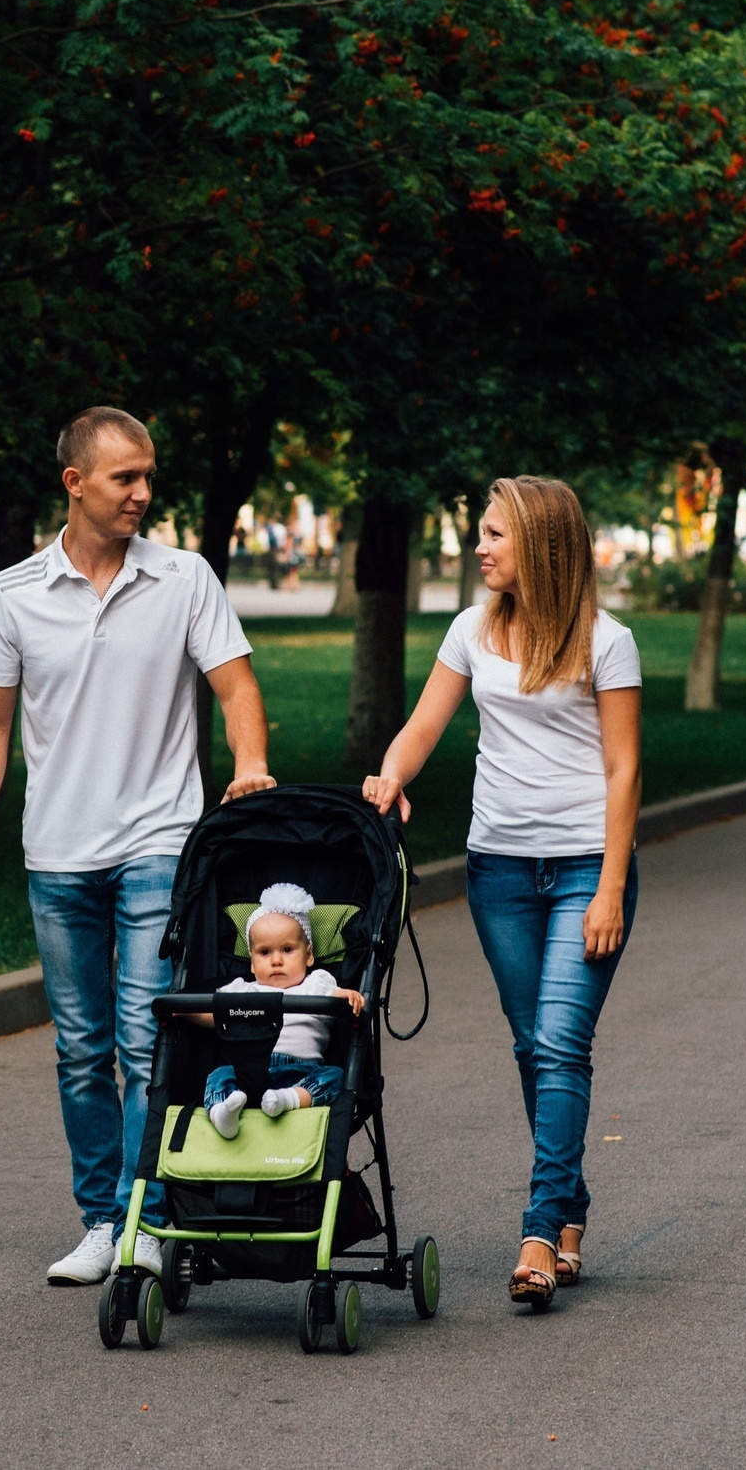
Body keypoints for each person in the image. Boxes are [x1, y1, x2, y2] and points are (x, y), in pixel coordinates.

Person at [0, 405, 278, 1287]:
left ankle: (145, 1216)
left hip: (160, 841)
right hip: (57, 851)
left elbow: (236, 684)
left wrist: (250, 761)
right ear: (76, 483)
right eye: (126, 477)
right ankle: (102, 1217)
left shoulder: (184, 578)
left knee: (144, 1037)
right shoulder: (13, 592)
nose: (143, 492)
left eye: (148, 475)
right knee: (81, 1046)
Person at [362, 475, 643, 1309]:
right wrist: (391, 775)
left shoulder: (607, 641)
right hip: (500, 871)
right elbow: (423, 724)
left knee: (559, 1044)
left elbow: (625, 769)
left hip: (588, 867)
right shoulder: (471, 629)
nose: (477, 547)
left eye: (493, 534)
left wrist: (613, 888)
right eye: (478, 533)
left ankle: (537, 1228)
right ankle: (571, 1206)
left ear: (540, 544)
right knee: (533, 1045)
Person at [195, 885, 365, 1139]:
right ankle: (223, 1112)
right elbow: (214, 1016)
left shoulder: (316, 983)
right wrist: (186, 1011)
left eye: (287, 950)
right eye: (265, 952)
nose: (276, 960)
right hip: (248, 1071)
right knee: (219, 1075)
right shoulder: (242, 989)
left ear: (308, 956)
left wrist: (347, 995)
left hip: (303, 1070)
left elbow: (336, 999)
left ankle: (289, 1099)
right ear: (252, 962)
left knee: (337, 1078)